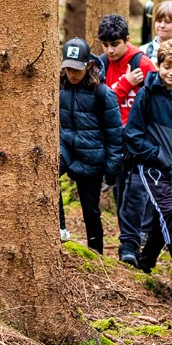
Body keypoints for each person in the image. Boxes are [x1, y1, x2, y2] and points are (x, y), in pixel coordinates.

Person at [124, 39, 172, 295]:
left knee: (164, 216)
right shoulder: (146, 93)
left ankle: (146, 262)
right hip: (152, 166)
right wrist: (157, 155)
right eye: (167, 67)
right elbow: (132, 135)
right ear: (158, 65)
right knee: (171, 211)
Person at [99, 14, 156, 265]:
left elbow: (158, 96)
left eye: (115, 45)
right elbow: (101, 101)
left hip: (140, 137)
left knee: (138, 188)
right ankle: (128, 239)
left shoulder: (142, 63)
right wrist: (125, 84)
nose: (110, 50)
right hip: (114, 137)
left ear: (127, 40)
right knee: (121, 190)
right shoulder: (101, 64)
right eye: (106, 45)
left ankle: (136, 238)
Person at [59, 39, 125, 250]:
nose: (72, 74)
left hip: (91, 158)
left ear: (88, 65)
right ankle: (59, 229)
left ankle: (96, 252)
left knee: (91, 211)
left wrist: (111, 171)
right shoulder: (59, 86)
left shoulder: (102, 93)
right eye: (68, 68)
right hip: (65, 150)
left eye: (77, 68)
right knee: (46, 179)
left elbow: (114, 136)